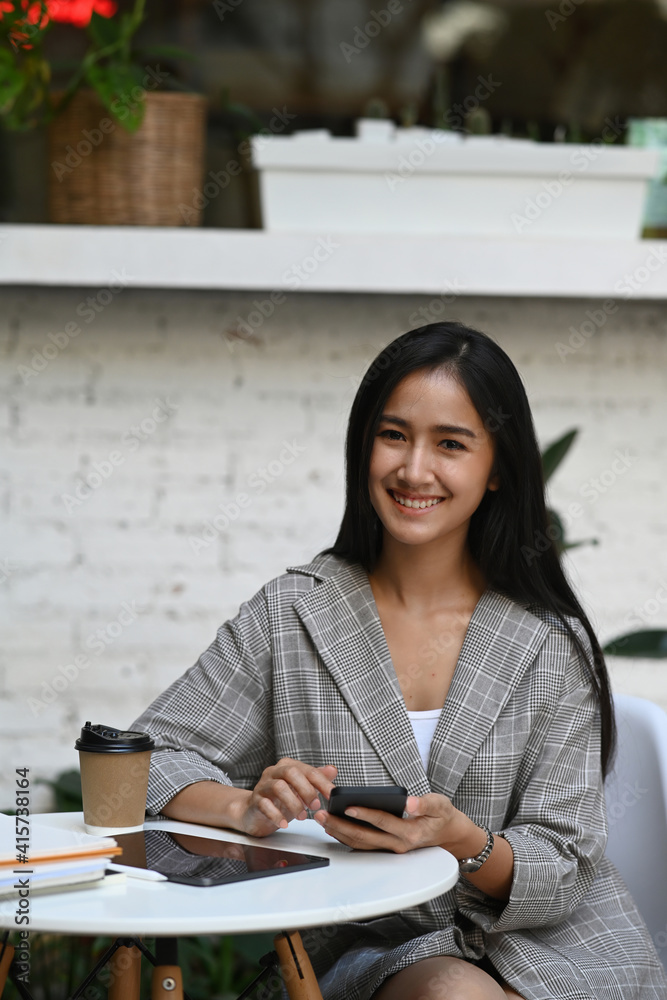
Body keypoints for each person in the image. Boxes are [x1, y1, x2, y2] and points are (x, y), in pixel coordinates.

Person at [130, 322, 667, 1000]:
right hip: (376, 947)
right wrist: (244, 809)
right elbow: (141, 761)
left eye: (450, 444)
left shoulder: (546, 642)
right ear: (363, 447)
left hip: (560, 954)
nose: (414, 470)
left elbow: (563, 866)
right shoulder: (292, 615)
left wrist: (463, 841)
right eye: (393, 436)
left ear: (496, 467)